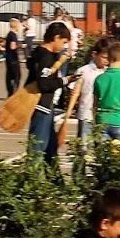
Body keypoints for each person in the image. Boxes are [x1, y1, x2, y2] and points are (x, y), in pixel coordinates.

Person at [25, 22, 71, 162]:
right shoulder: (46, 57)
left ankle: (54, 180)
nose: (64, 47)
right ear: (56, 37)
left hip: (47, 106)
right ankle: (34, 179)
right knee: (38, 148)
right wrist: (64, 81)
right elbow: (44, 83)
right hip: (41, 106)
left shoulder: (41, 53)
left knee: (50, 149)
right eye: (63, 42)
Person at [64, 40, 111, 146]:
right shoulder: (83, 71)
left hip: (103, 116)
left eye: (109, 58)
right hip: (86, 115)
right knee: (84, 149)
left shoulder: (109, 72)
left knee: (103, 148)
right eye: (104, 57)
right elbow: (74, 93)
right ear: (94, 54)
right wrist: (69, 112)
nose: (106, 61)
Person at [2, 23, 23, 95]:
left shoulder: (9, 34)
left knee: (9, 75)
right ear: (16, 26)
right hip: (13, 58)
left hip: (8, 58)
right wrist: (20, 45)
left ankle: (10, 92)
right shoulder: (13, 35)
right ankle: (14, 92)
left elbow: (5, 44)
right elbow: (12, 47)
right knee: (17, 76)